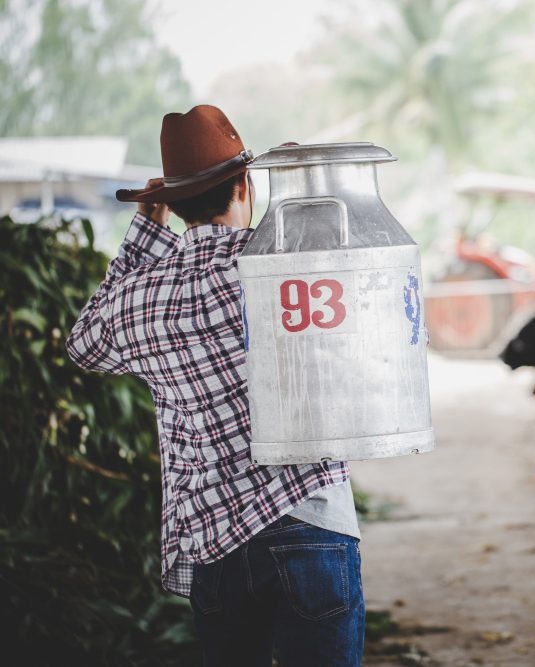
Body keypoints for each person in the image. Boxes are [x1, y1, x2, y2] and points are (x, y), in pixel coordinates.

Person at [66, 105, 364, 666]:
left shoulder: (140, 297)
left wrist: (145, 229)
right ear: (244, 183)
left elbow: (85, 344)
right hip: (311, 517)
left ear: (172, 206)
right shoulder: (282, 264)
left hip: (215, 541)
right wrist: (303, 188)